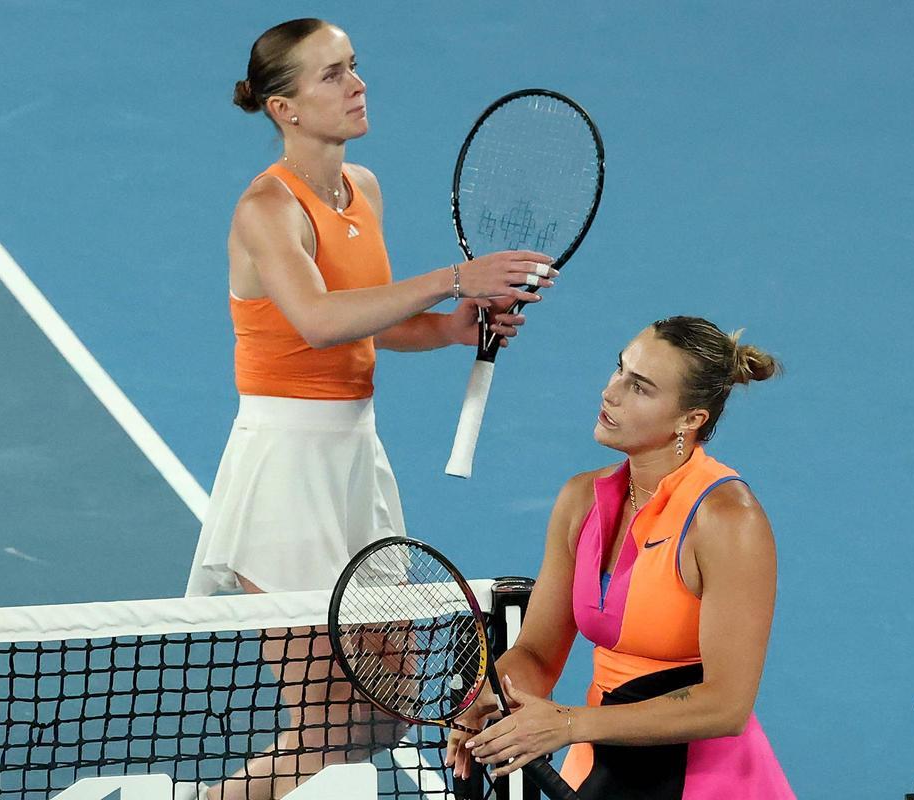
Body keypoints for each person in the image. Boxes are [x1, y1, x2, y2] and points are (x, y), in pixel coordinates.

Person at [181, 18, 554, 800]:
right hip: (285, 473)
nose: (356, 85)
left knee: (380, 720)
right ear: (283, 108)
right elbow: (318, 321)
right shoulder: (266, 210)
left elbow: (369, 319)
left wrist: (451, 330)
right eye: (330, 75)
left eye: (354, 67)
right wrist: (455, 279)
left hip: (357, 461)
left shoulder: (365, 190)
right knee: (326, 727)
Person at [446, 316, 795, 799]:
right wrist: (491, 696)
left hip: (704, 780)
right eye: (619, 370)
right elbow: (538, 653)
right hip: (602, 762)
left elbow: (726, 706)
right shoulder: (580, 499)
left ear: (690, 419)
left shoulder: (727, 520)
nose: (611, 393)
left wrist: (568, 724)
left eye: (640, 388)